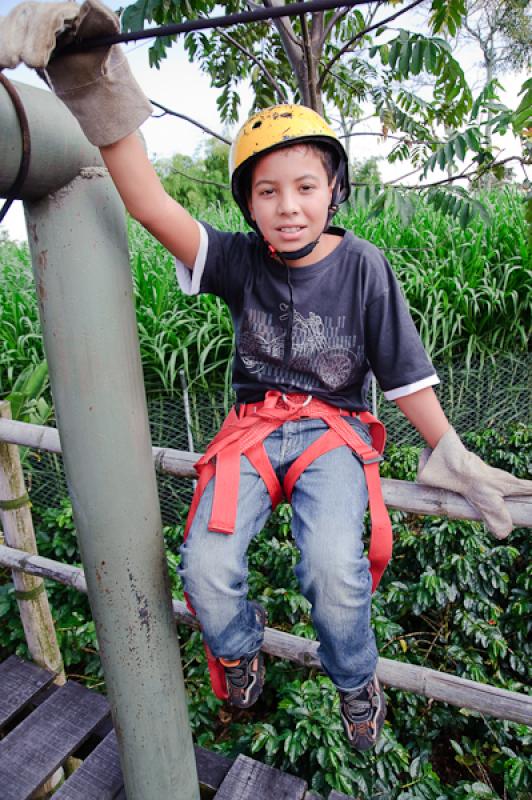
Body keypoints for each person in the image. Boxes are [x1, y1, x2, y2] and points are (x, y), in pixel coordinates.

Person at [1, 0, 530, 753]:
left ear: (333, 190)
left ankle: (356, 684)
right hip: (252, 433)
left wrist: (446, 444)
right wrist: (94, 77)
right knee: (206, 568)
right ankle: (240, 648)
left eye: (305, 187)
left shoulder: (363, 267)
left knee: (332, 571)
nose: (288, 207)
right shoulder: (241, 263)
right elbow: (149, 205)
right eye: (268, 191)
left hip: (334, 438)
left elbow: (405, 371)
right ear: (248, 203)